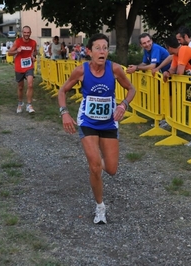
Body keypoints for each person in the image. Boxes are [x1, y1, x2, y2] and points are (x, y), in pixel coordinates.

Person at [58, 33, 136, 224]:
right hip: (88, 122)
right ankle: (100, 207)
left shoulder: (115, 69)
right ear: (89, 51)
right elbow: (62, 91)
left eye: (105, 48)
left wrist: (123, 105)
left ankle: (98, 159)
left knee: (111, 169)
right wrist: (64, 112)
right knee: (95, 166)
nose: (102, 52)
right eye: (98, 48)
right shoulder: (81, 71)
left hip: (109, 123)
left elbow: (131, 89)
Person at [126, 33, 171, 129]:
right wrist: (135, 66)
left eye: (148, 41)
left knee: (167, 98)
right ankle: (162, 118)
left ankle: (167, 120)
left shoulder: (155, 48)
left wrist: (136, 68)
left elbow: (152, 66)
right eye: (144, 43)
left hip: (170, 76)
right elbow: (144, 63)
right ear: (141, 45)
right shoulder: (147, 50)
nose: (147, 44)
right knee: (160, 97)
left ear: (152, 41)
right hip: (162, 77)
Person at [7, 25, 37, 114]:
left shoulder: (33, 42)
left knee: (30, 85)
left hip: (29, 66)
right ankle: (20, 103)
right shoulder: (17, 42)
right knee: (20, 87)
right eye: (25, 32)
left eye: (28, 33)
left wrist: (33, 56)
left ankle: (29, 105)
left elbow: (34, 51)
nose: (27, 34)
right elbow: (9, 53)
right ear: (22, 33)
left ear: (30, 33)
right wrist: (17, 51)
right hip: (19, 66)